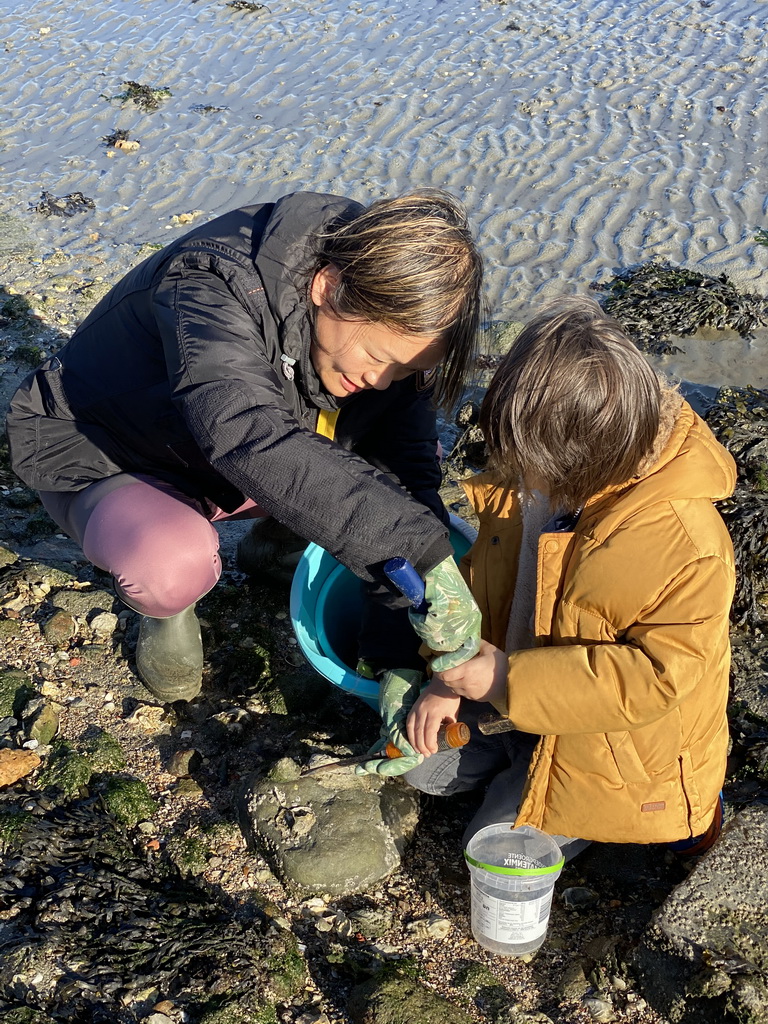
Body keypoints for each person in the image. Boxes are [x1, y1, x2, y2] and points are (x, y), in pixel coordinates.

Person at [6, 190, 483, 704]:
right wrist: (411, 548)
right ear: (328, 286)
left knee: (408, 471)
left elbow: (404, 470)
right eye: (377, 357)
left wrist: (397, 647)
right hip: (113, 453)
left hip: (237, 456)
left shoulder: (395, 320)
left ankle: (274, 544)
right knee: (170, 561)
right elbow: (245, 433)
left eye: (407, 370)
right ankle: (165, 611)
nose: (381, 379)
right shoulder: (211, 279)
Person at [373, 296, 736, 858]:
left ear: (587, 454)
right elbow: (480, 586)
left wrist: (506, 681)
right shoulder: (530, 483)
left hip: (605, 745)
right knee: (421, 769)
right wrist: (444, 676)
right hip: (510, 698)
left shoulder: (686, 542)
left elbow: (657, 679)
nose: (512, 466)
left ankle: (678, 812)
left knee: (490, 853)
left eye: (526, 454)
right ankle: (517, 766)